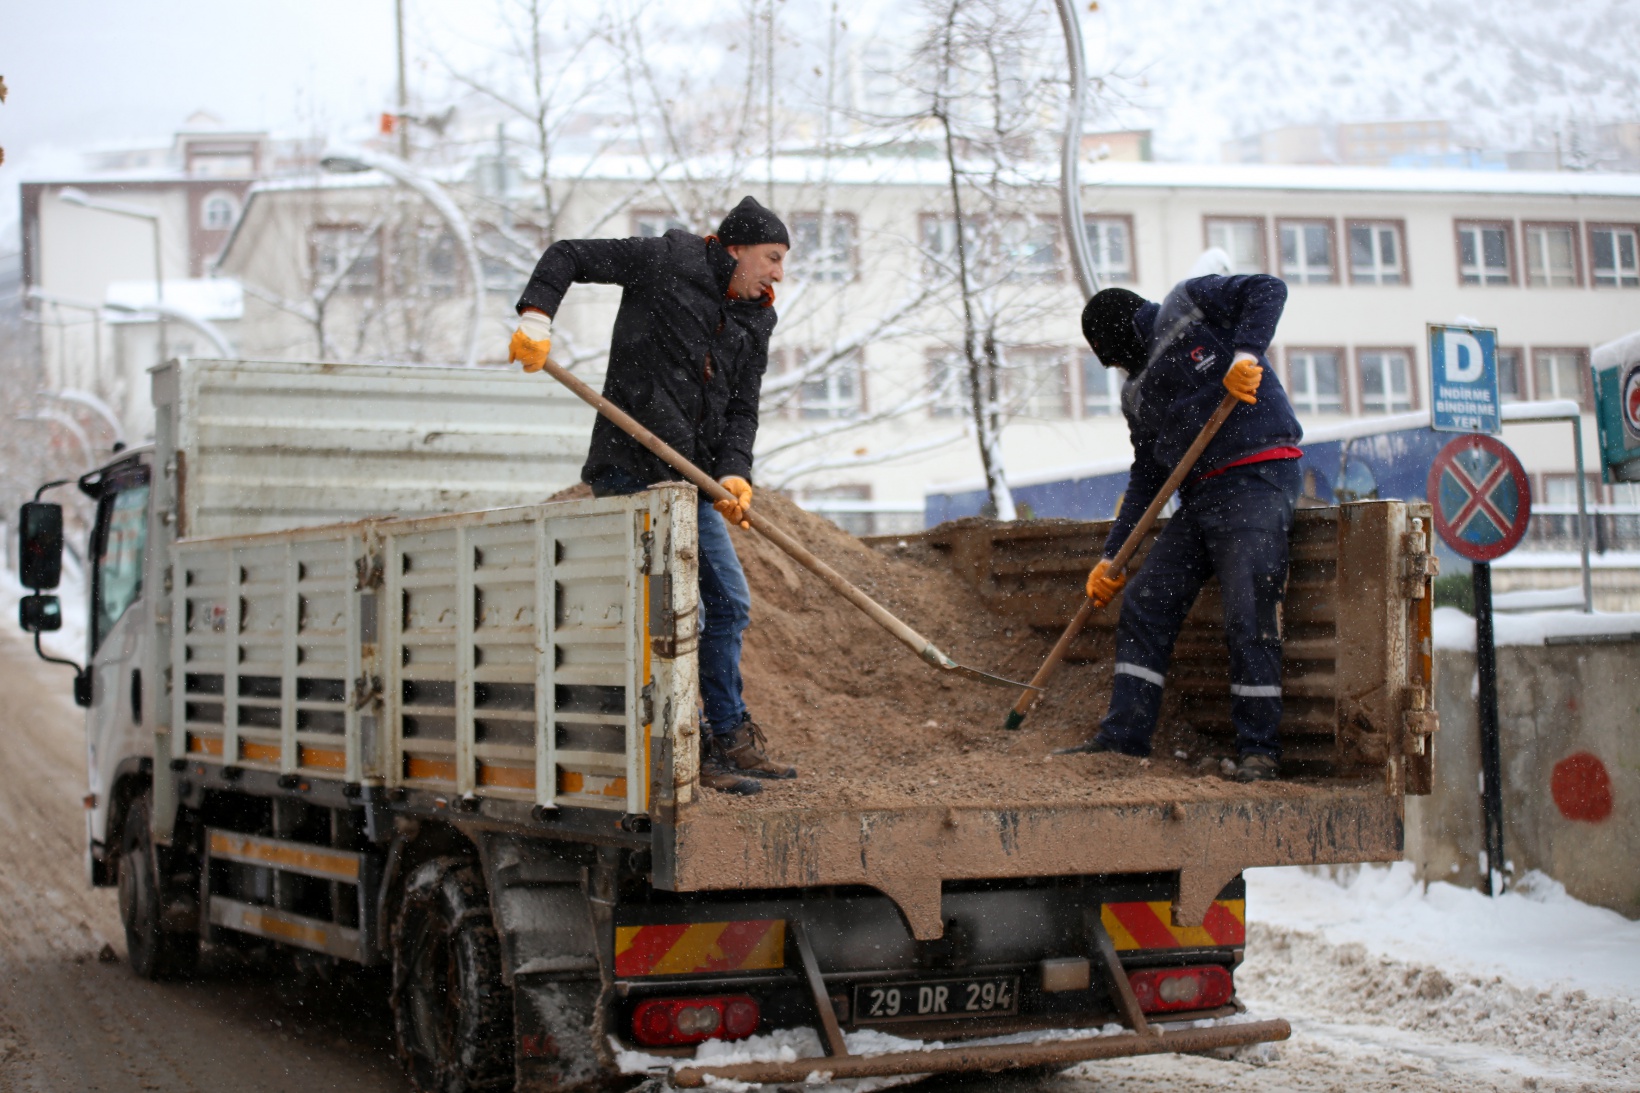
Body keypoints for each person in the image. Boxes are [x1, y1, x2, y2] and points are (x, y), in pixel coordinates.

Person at [507, 196, 797, 796]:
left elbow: (743, 408)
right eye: (771, 258)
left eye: (784, 262)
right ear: (736, 248)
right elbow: (567, 255)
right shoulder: (666, 262)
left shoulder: (756, 319)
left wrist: (736, 474)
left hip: (690, 480)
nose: (778, 274)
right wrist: (537, 316)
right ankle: (695, 745)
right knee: (672, 613)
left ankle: (724, 737)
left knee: (727, 605)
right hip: (630, 467)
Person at [1065, 274, 1303, 783]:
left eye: (1111, 354)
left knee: (1249, 612)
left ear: (1119, 331)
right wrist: (1113, 556)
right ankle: (1123, 738)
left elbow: (1267, 289)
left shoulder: (1188, 304)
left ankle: (1259, 751)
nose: (1115, 368)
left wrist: (1245, 355)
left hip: (1258, 473)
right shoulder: (1136, 395)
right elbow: (1149, 475)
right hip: (1201, 498)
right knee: (1146, 603)